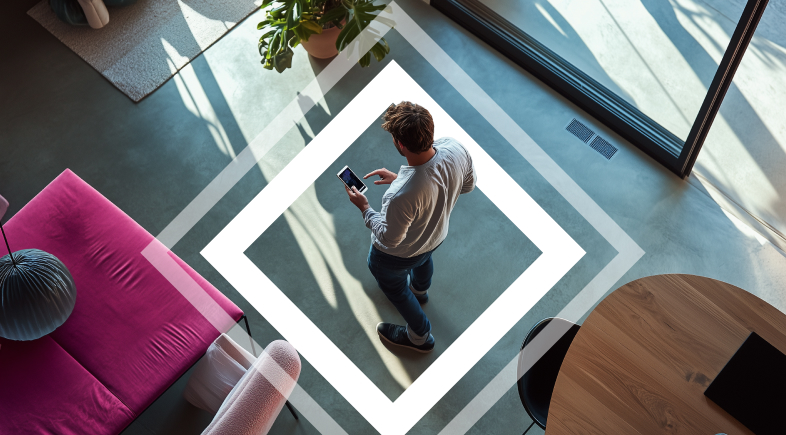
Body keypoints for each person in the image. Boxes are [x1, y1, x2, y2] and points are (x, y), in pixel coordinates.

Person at [344, 101, 476, 353]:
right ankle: (420, 290)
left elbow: (389, 239)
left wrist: (364, 207)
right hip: (436, 236)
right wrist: (402, 179)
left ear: (400, 144)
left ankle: (419, 336)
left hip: (394, 256)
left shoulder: (398, 197)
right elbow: (467, 185)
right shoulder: (456, 148)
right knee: (423, 259)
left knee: (395, 287)